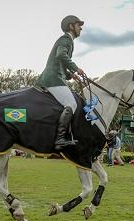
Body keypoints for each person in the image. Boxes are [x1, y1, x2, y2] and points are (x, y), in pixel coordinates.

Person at [36, 15, 86, 150]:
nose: (80, 27)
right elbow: (61, 55)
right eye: (78, 25)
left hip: (55, 76)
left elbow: (59, 63)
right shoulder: (66, 39)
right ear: (71, 26)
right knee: (71, 103)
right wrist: (76, 68)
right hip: (53, 78)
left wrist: (70, 75)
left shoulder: (68, 40)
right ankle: (60, 139)